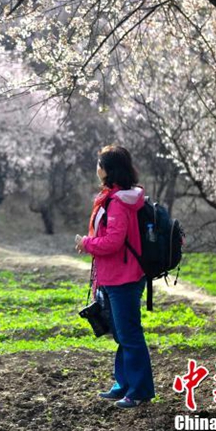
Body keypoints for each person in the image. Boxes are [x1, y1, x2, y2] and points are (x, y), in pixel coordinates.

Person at [75, 145, 155, 409]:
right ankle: (124, 384)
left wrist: (87, 243)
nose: (96, 167)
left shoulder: (119, 202)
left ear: (108, 169)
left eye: (100, 163)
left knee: (130, 334)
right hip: (113, 276)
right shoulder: (112, 198)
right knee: (121, 334)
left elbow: (113, 242)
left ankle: (140, 390)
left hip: (124, 277)